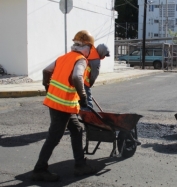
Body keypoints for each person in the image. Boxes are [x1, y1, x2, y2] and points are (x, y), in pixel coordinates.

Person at [31, 30, 96, 182]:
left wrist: (48, 89)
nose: (90, 52)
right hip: (62, 105)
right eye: (90, 48)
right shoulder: (80, 59)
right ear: (86, 47)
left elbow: (46, 71)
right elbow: (76, 77)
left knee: (77, 129)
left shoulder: (63, 57)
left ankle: (80, 165)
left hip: (57, 103)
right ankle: (39, 170)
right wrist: (83, 97)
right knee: (54, 137)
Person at [82, 43, 110, 110]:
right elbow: (93, 76)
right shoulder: (96, 60)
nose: (104, 57)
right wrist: (89, 86)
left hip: (78, 79)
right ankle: (88, 117)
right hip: (84, 82)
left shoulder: (89, 52)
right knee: (88, 101)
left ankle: (77, 116)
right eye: (104, 55)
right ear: (102, 52)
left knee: (78, 100)